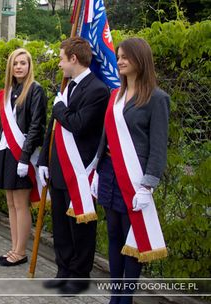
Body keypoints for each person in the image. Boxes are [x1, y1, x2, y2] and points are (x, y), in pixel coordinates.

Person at [93, 37, 169, 304]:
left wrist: (147, 186)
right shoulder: (115, 95)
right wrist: (97, 169)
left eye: (126, 56)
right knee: (113, 234)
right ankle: (115, 296)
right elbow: (106, 137)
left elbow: (159, 147)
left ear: (141, 60)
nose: (120, 60)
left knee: (132, 240)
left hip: (134, 180)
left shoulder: (157, 99)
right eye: (119, 56)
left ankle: (126, 299)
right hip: (109, 173)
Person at [37, 37, 110, 294]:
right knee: (60, 224)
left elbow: (78, 124)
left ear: (74, 59)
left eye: (61, 58)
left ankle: (79, 276)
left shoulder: (98, 90)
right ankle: (63, 268)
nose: (59, 64)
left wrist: (58, 108)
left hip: (80, 170)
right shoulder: (67, 86)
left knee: (80, 226)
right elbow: (53, 129)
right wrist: (45, 159)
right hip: (58, 167)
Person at [0, 48, 47, 266]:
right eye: (15, 63)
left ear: (29, 65)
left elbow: (36, 126)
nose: (19, 67)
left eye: (23, 63)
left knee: (20, 203)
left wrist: (25, 158)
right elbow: (3, 128)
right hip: (7, 150)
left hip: (22, 152)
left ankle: (21, 252)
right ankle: (13, 247)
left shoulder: (35, 90)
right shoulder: (9, 91)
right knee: (10, 202)